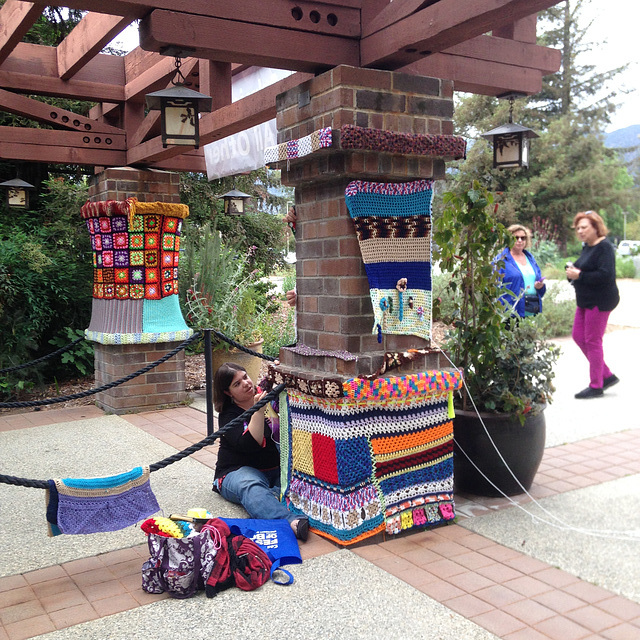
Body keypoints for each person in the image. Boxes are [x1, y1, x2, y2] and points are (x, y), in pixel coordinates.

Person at [212, 362, 309, 541]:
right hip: (237, 472)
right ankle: (291, 522)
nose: (246, 384)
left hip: (275, 469)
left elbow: (286, 388)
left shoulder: (266, 393)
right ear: (228, 393)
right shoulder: (228, 415)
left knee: (302, 480)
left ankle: (269, 500)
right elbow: (248, 445)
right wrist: (258, 411)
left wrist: (282, 368)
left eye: (245, 377)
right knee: (250, 486)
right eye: (237, 384)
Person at [565, 211, 620, 399]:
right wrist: (573, 273)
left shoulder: (604, 247)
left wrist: (579, 275)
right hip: (585, 300)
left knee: (593, 341)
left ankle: (596, 385)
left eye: (584, 227)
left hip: (600, 301)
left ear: (595, 227)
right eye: (578, 228)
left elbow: (605, 275)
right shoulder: (587, 247)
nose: (580, 231)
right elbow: (585, 270)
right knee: (578, 336)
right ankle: (606, 374)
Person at [497, 224, 546, 319]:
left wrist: (540, 287)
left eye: (523, 238)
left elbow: (540, 288)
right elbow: (494, 288)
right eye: (516, 238)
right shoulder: (500, 260)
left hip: (532, 311)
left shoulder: (531, 259)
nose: (519, 240)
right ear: (508, 239)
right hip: (511, 313)